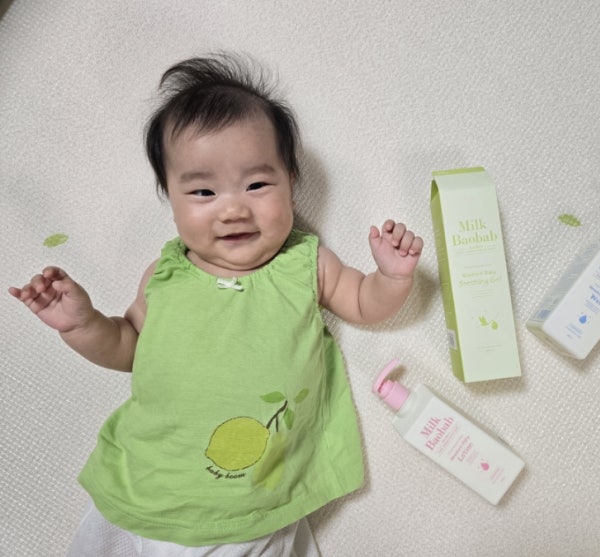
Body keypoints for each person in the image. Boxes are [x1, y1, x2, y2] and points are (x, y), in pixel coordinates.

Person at [8, 53, 424, 557]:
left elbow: (361, 302)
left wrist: (390, 277)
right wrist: (82, 324)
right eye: (204, 191)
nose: (233, 209)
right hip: (145, 486)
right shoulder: (165, 276)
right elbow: (128, 347)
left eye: (257, 185)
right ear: (172, 199)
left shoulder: (304, 263)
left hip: (252, 501)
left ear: (292, 184)